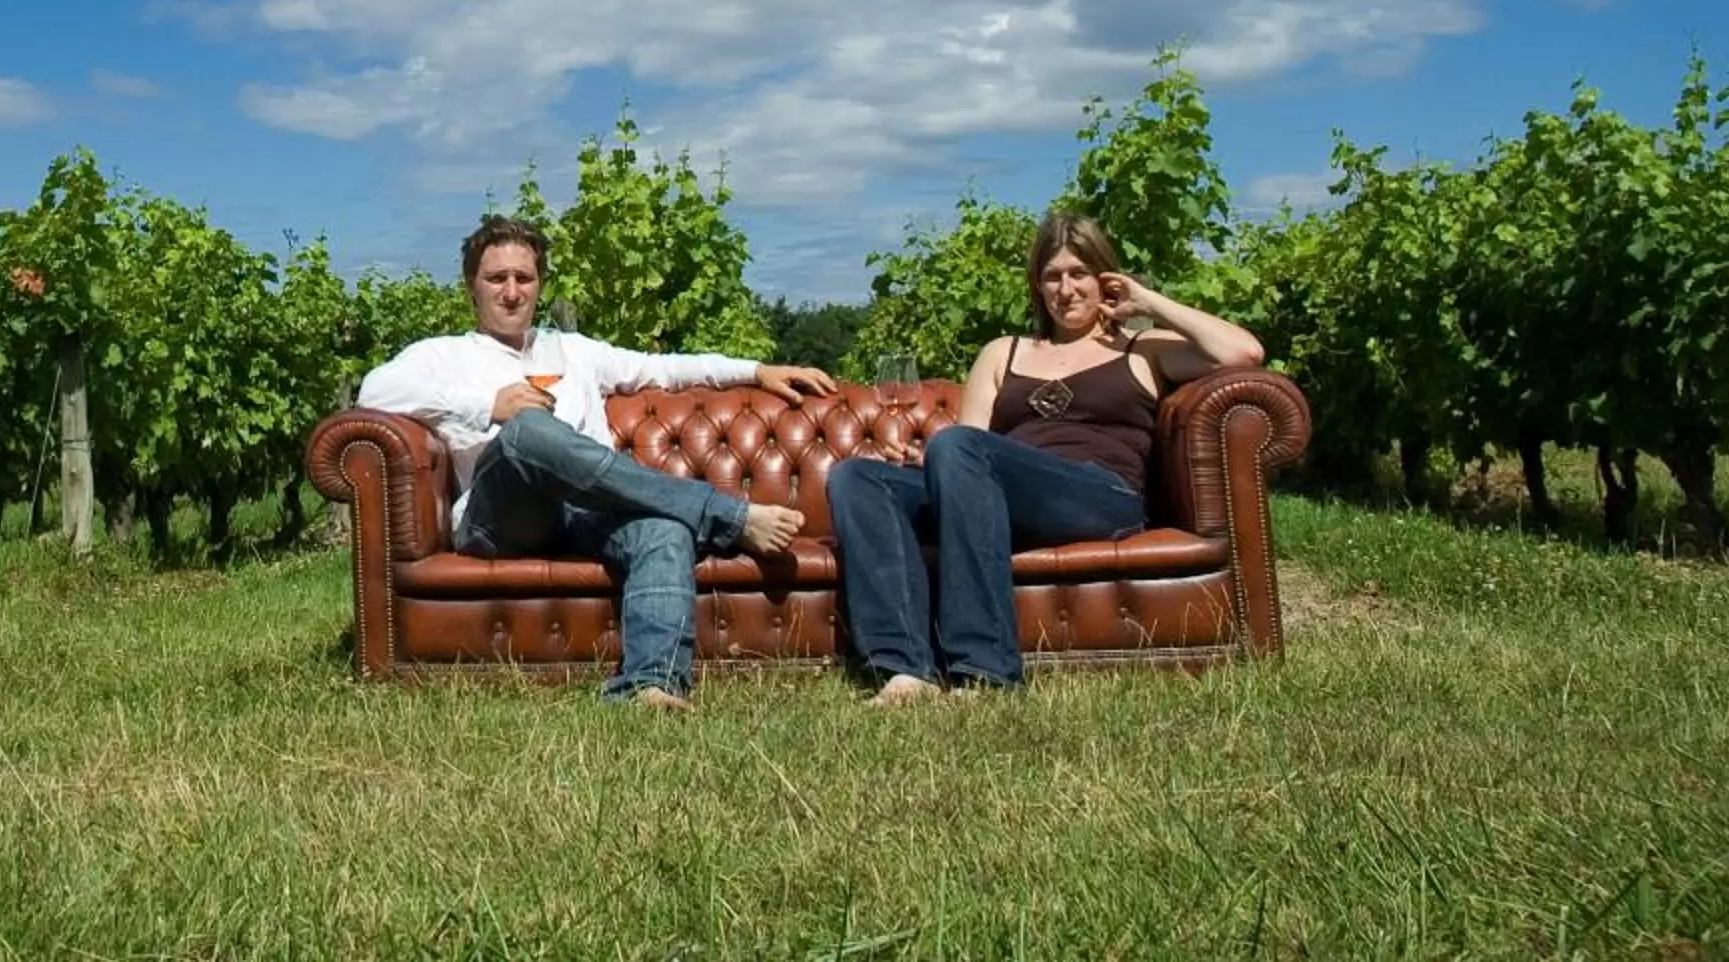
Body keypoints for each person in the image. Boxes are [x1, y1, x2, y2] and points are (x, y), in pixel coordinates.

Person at [357, 214, 836, 710]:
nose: (512, 292)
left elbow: (665, 369)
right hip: (502, 518)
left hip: (587, 514)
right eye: (497, 278)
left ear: (540, 285)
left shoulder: (573, 351)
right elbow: (375, 390)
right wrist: (487, 406)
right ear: (470, 287)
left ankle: (651, 684)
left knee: (664, 528)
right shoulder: (441, 355)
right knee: (527, 430)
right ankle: (724, 514)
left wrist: (757, 369)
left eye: (524, 278)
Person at [827, 209, 1266, 703]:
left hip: (1100, 494)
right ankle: (906, 671)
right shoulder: (1004, 352)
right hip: (1013, 494)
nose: (1067, 289)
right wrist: (927, 461)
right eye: (1053, 276)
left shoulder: (1143, 348)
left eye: (1080, 274)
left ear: (1106, 280)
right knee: (858, 477)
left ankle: (984, 670)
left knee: (956, 447)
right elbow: (970, 443)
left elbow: (1244, 353)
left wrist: (1149, 303)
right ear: (1038, 286)